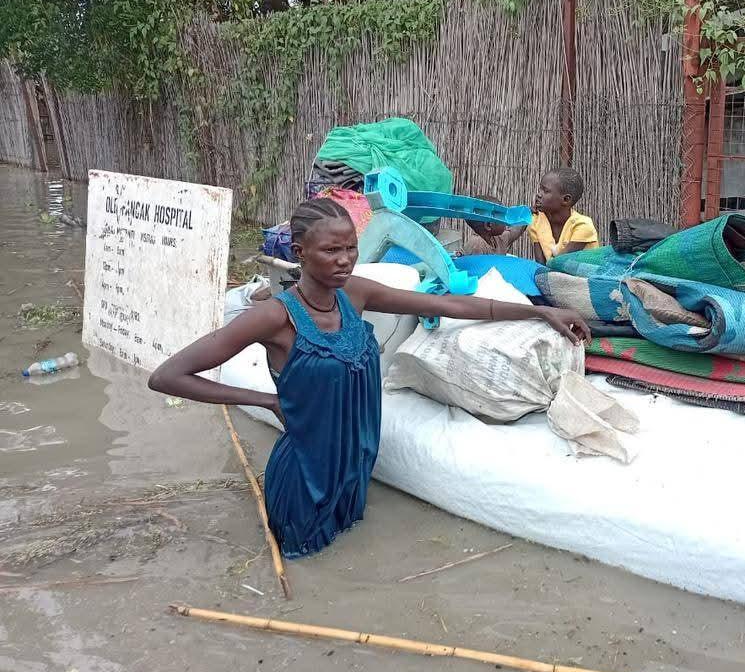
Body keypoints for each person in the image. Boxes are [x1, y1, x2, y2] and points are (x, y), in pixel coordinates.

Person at [148, 198, 590, 558]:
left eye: (350, 249)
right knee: (303, 560)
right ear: (299, 253)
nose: (344, 260)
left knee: (346, 556)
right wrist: (266, 401)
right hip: (304, 477)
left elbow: (449, 305)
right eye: (330, 251)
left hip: (355, 466)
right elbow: (168, 376)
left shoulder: (354, 294)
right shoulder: (275, 317)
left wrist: (540, 312)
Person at [527, 168, 599, 265]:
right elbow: (540, 264)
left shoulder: (583, 225)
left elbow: (560, 264)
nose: (539, 194)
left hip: (582, 273)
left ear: (566, 200)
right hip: (552, 272)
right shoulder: (536, 221)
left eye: (546, 191)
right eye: (540, 189)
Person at [459, 193, 526, 256]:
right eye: (503, 217)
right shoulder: (477, 245)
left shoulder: (496, 239)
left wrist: (527, 215)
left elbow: (514, 232)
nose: (505, 221)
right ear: (489, 225)